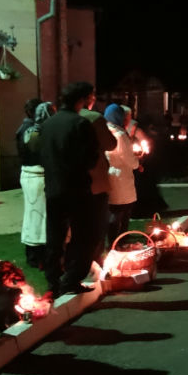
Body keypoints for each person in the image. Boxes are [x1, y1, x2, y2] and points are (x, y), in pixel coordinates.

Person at [39, 82, 100, 296]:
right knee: (84, 234)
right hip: (76, 189)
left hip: (53, 188)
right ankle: (72, 279)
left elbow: (41, 153)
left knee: (55, 236)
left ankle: (53, 281)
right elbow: (91, 158)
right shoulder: (80, 123)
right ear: (81, 100)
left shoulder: (48, 124)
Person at [80, 93, 117, 269]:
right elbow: (111, 144)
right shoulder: (94, 118)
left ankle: (77, 265)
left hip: (70, 181)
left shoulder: (58, 119)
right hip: (95, 180)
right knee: (96, 225)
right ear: (89, 100)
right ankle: (94, 264)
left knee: (77, 227)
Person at [18, 100, 50, 269]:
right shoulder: (36, 131)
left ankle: (34, 255)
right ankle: (37, 256)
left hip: (28, 175)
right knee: (38, 217)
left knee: (33, 216)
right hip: (37, 175)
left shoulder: (25, 129)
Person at [103, 103, 140, 247]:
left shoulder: (104, 131)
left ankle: (114, 242)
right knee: (121, 211)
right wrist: (137, 161)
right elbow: (129, 160)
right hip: (121, 177)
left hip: (109, 173)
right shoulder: (120, 135)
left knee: (114, 210)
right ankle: (117, 242)